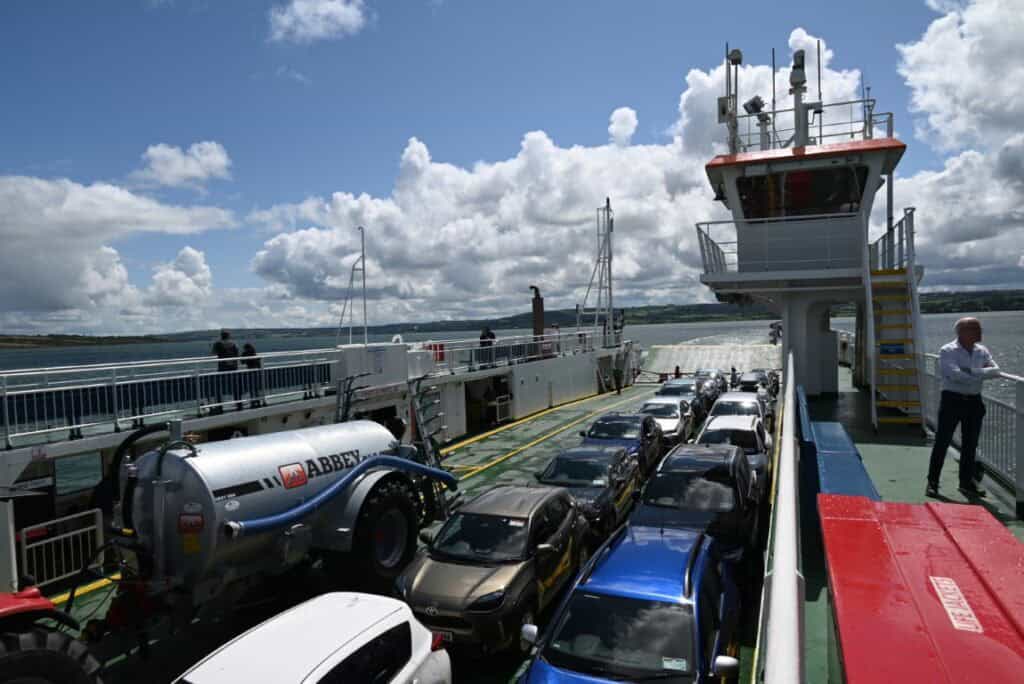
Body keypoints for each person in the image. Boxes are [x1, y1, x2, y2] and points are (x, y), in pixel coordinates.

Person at [926, 317, 1000, 499]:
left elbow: (996, 370)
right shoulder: (948, 350)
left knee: (970, 444)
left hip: (974, 402)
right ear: (962, 332)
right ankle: (932, 482)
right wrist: (981, 374)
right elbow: (955, 375)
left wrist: (972, 372)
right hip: (952, 400)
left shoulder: (982, 351)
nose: (980, 331)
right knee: (942, 441)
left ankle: (965, 483)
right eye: (976, 328)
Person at [211, 330, 239, 412]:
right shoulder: (234, 344)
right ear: (229, 336)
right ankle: (238, 404)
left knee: (219, 388)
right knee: (235, 387)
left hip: (223, 368)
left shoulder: (218, 343)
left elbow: (213, 353)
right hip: (234, 368)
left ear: (221, 336)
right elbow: (237, 354)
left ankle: (220, 406)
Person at [241, 343, 263, 408]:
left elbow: (242, 362)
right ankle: (258, 401)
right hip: (256, 371)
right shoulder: (254, 353)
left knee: (251, 387)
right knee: (256, 387)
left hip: (250, 371)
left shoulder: (245, 353)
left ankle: (253, 402)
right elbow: (259, 361)